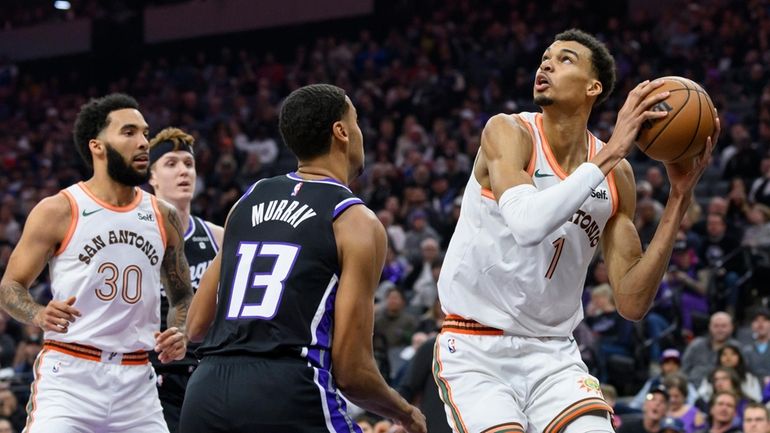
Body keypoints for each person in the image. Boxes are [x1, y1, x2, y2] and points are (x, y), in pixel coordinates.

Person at [435, 28, 718, 433]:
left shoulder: (617, 175)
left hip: (554, 355)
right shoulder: (509, 132)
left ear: (593, 87)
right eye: (545, 57)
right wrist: (611, 153)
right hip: (476, 348)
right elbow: (527, 224)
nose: (546, 63)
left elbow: (633, 302)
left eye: (565, 58)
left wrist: (679, 198)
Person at [179, 84, 426, 433]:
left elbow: (196, 324)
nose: (359, 132)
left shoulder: (247, 201)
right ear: (341, 132)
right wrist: (405, 412)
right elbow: (352, 371)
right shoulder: (355, 220)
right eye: (355, 121)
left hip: (206, 391)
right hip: (289, 388)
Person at [0, 93, 193, 432]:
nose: (144, 142)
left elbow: (181, 296)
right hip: (70, 376)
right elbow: (10, 287)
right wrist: (39, 314)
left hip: (137, 383)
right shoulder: (59, 209)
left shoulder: (164, 216)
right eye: (129, 132)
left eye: (145, 133)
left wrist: (180, 331)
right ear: (97, 146)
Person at [147, 127, 224, 433]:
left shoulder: (219, 237)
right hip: (149, 376)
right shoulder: (131, 239)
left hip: (206, 373)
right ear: (151, 176)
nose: (183, 171)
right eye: (171, 163)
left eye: (188, 164)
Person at [683, 312, 743, 387]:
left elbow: (741, 371)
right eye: (716, 326)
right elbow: (684, 369)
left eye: (723, 326)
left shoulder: (737, 347)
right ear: (709, 327)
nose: (719, 329)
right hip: (693, 387)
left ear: (731, 328)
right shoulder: (696, 345)